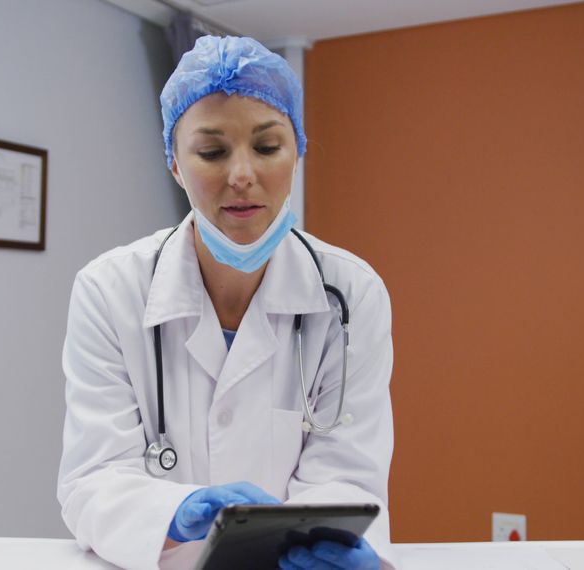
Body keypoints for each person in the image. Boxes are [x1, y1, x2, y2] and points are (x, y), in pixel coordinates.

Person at [57, 35, 397, 570]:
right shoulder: (109, 290)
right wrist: (175, 511)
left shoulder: (351, 294)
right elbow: (93, 479)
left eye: (267, 147)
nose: (242, 175)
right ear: (173, 163)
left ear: (298, 152)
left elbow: (348, 474)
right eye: (212, 152)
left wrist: (328, 548)